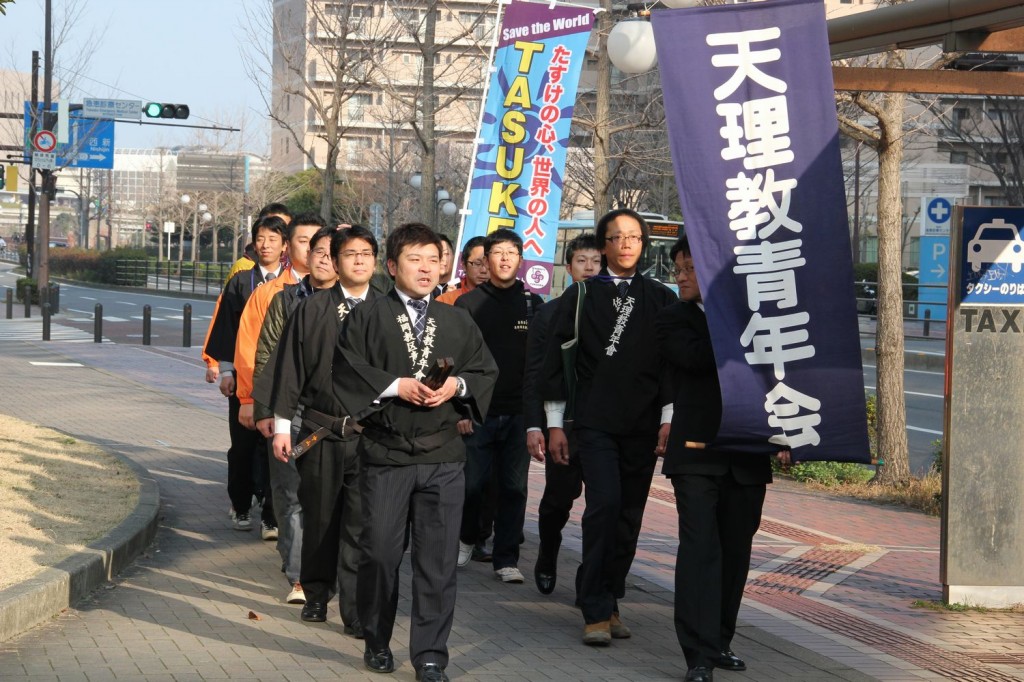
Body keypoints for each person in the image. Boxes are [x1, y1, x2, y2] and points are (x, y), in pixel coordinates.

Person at [333, 223, 497, 682]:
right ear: (392, 266)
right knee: (382, 553)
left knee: (438, 562)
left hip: (444, 455)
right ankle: (377, 637)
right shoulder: (367, 317)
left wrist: (456, 387)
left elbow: (483, 370)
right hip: (386, 455)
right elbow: (346, 368)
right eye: (414, 259)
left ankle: (430, 655)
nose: (426, 269)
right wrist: (394, 386)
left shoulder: (458, 319)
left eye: (433, 259)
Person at [542, 208, 676, 646]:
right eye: (616, 237)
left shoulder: (661, 299)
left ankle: (610, 596)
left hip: (641, 425)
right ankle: (594, 609)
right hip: (594, 425)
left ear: (644, 244)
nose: (626, 244)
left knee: (628, 517)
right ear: (602, 245)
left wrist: (668, 419)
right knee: (604, 507)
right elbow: (558, 365)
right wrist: (555, 424)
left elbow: (672, 369)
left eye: (634, 237)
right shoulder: (580, 297)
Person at [656, 236, 788, 682]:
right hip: (695, 454)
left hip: (748, 453)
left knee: (736, 550)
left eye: (691, 268)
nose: (682, 276)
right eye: (678, 269)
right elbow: (692, 359)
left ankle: (721, 641)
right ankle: (696, 654)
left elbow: (779, 375)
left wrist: (786, 433)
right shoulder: (674, 318)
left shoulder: (759, 318)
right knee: (699, 549)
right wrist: (732, 323)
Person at [258, 225, 380, 635]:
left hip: (372, 436)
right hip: (320, 432)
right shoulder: (311, 309)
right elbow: (288, 371)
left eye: (366, 254)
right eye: (350, 254)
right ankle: (314, 592)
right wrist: (280, 428)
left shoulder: (389, 310)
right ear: (334, 261)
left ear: (377, 262)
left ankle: (356, 609)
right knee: (321, 518)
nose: (358, 260)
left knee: (360, 525)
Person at [453, 228, 544, 582]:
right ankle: (467, 536)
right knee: (472, 484)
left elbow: (538, 365)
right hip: (478, 411)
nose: (505, 258)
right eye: (498, 252)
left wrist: (537, 419)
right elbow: (457, 360)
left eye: (512, 252)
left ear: (520, 260)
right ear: (485, 260)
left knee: (514, 488)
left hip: (519, 412)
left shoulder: (533, 304)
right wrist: (460, 411)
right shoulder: (468, 304)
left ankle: (506, 559)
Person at [524, 233, 602, 595]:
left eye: (596, 261)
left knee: (602, 508)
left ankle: (592, 582)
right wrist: (536, 425)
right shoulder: (550, 313)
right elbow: (535, 372)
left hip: (604, 424)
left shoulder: (614, 310)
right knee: (558, 499)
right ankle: (547, 555)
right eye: (582, 261)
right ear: (568, 267)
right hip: (564, 425)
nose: (590, 268)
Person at [203, 214, 288, 532]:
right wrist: (225, 371)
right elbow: (226, 328)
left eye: (273, 239)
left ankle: (270, 511)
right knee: (242, 445)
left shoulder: (293, 284)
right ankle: (240, 505)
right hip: (244, 374)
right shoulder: (241, 282)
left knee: (273, 446)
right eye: (261, 238)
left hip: (279, 379)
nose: (266, 245)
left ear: (284, 245)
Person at [435, 236, 488, 305]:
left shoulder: (503, 300)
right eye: (477, 263)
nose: (484, 270)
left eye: (488, 264)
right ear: (463, 265)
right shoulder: (446, 300)